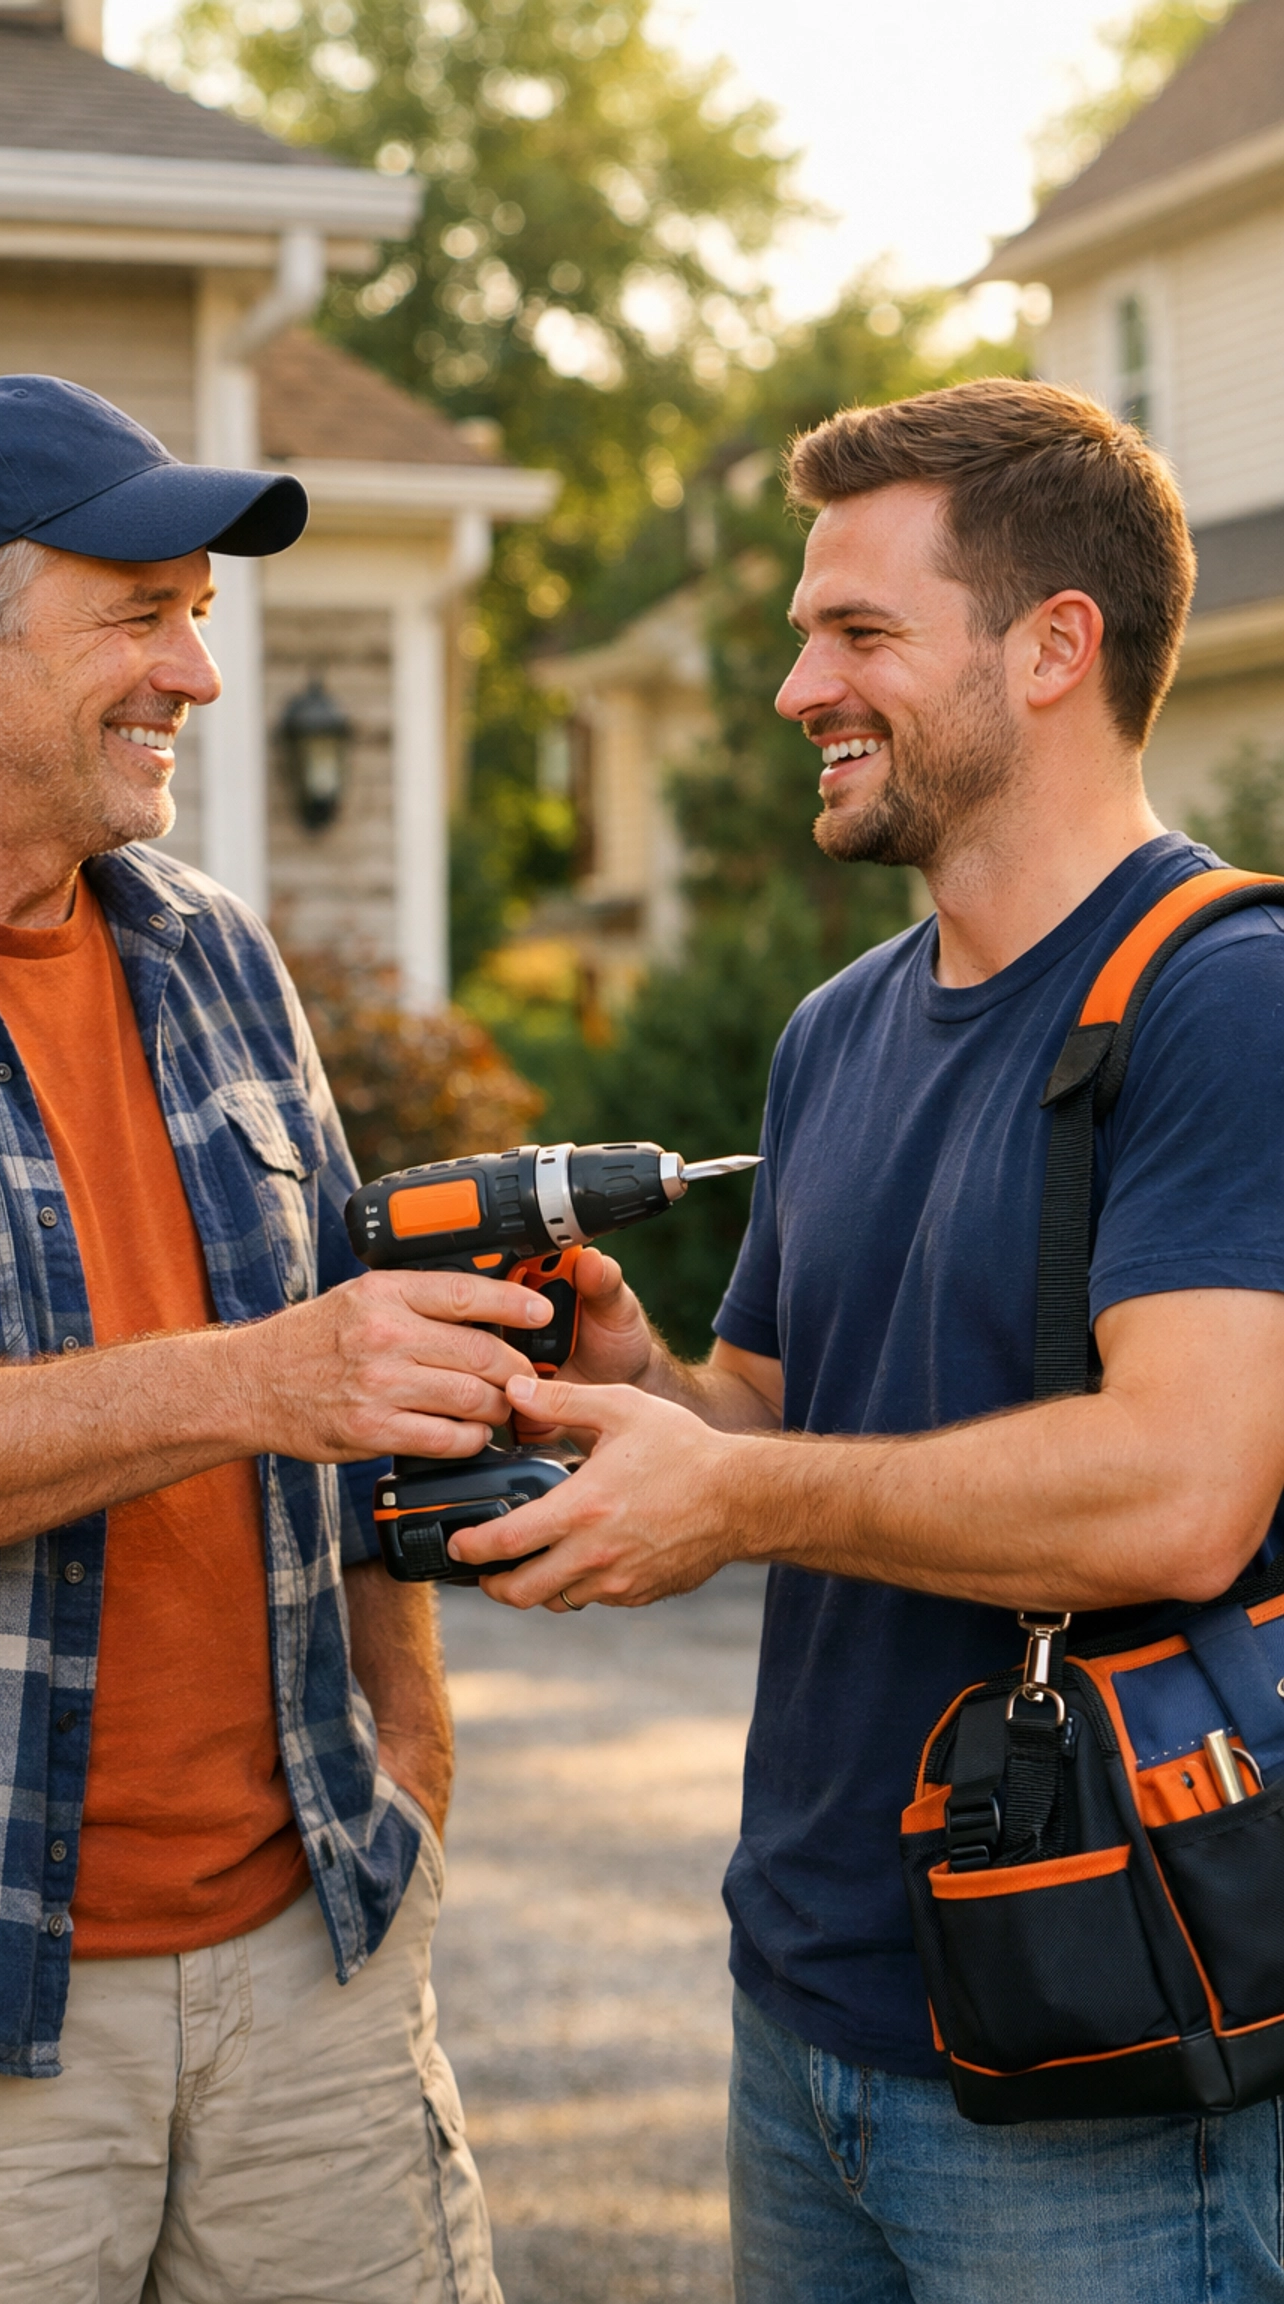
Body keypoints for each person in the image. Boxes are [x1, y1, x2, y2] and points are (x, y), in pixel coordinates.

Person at [456, 379, 1284, 2301]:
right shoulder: (838, 1027)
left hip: (1100, 2048)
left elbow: (1179, 1491)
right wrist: (633, 1389)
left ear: (1053, 649)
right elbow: (770, 1417)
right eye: (801, 632)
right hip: (802, 2014)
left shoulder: (1224, 1002)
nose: (794, 686)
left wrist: (733, 1490)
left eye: (859, 632)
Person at [0, 374, 538, 2302]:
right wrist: (255, 1375)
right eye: (143, 613)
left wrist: (407, 1753)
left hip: (316, 1979)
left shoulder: (210, 950)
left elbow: (364, 1401)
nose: (196, 670)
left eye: (200, 612)